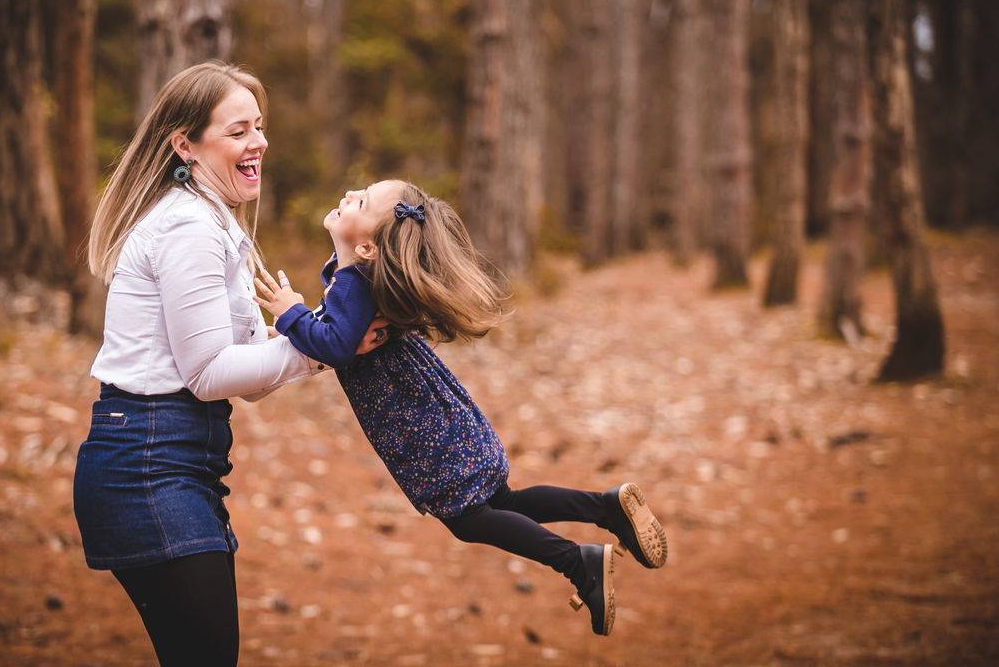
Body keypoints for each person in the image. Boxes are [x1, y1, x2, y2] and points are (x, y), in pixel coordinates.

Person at [253, 179, 668, 637]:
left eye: (362, 200)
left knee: (469, 519)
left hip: (418, 422)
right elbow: (340, 330)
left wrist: (290, 314)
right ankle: (604, 508)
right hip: (434, 412)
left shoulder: (356, 279)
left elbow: (336, 343)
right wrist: (298, 332)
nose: (349, 193)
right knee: (500, 502)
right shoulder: (358, 277)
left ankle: (578, 561)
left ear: (369, 246)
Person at [73, 61, 384, 667]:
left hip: (176, 459)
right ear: (184, 145)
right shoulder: (188, 227)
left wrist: (322, 344)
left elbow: (247, 378)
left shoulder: (214, 223)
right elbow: (209, 373)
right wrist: (320, 344)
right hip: (146, 461)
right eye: (238, 131)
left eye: (259, 128)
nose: (258, 143)